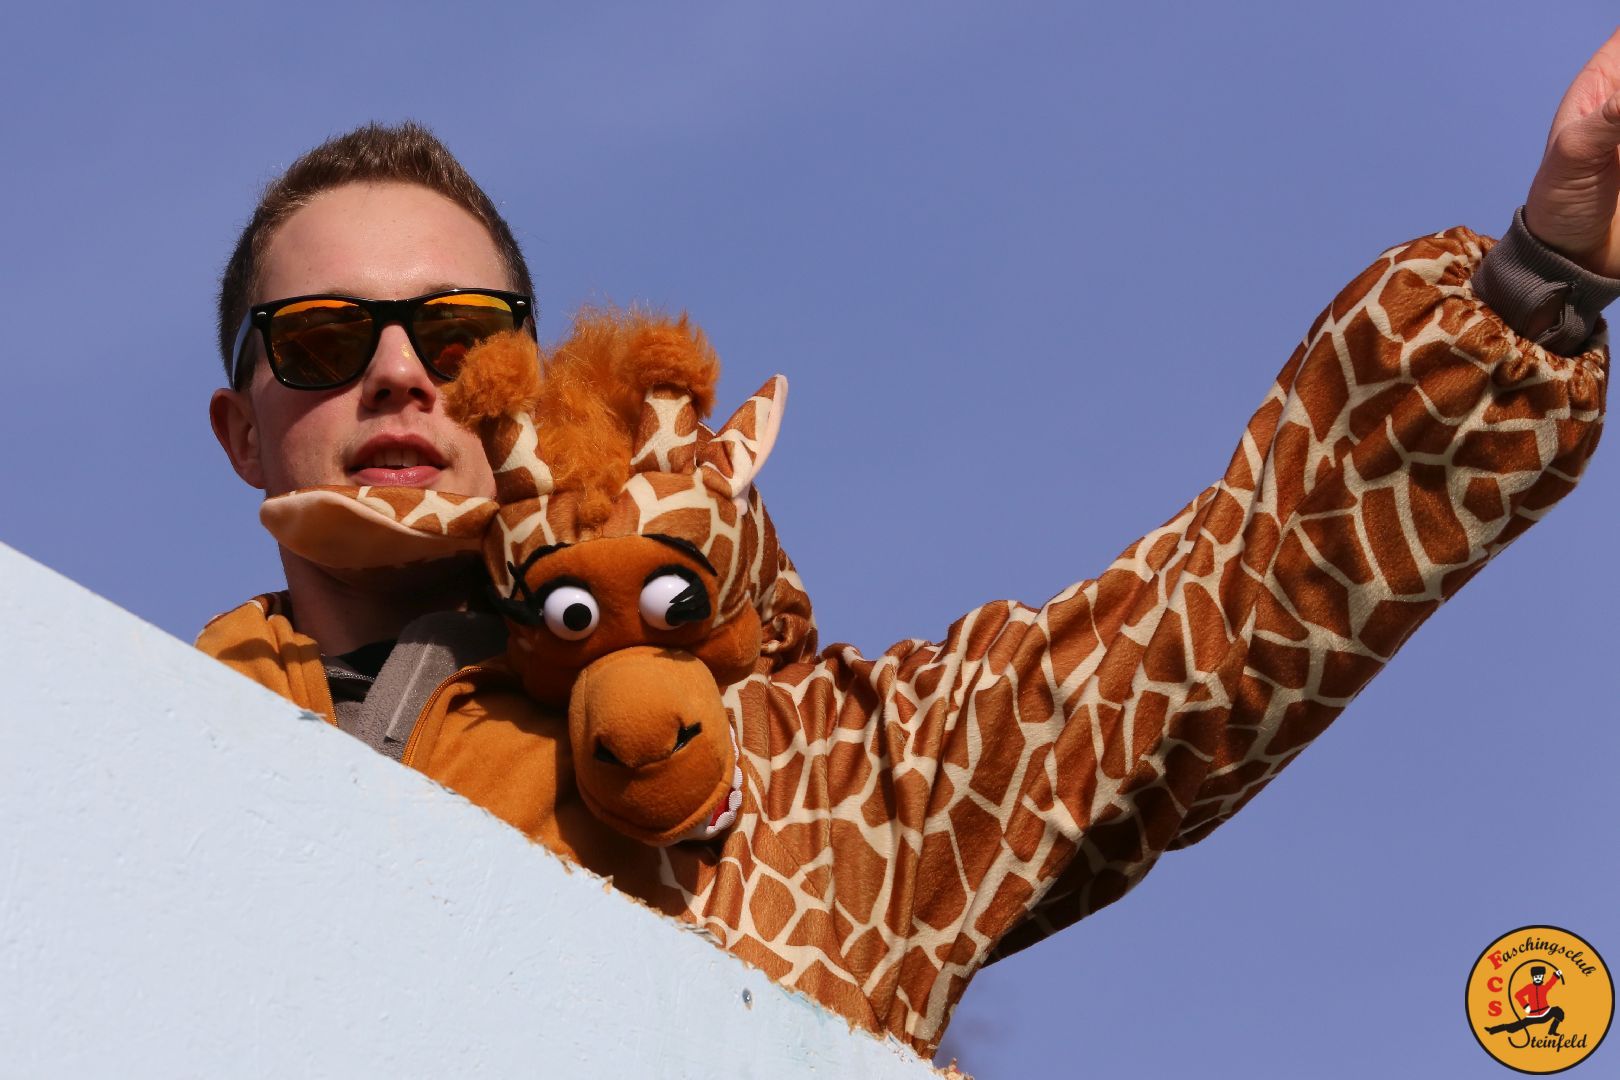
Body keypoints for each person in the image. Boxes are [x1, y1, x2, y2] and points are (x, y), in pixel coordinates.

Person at [200, 33, 1620, 1059]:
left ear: (539, 388)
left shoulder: (809, 791)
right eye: (322, 340)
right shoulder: (116, 768)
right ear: (238, 431)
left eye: (459, 335)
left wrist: (1536, 279)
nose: (401, 374)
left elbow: (1216, 618)